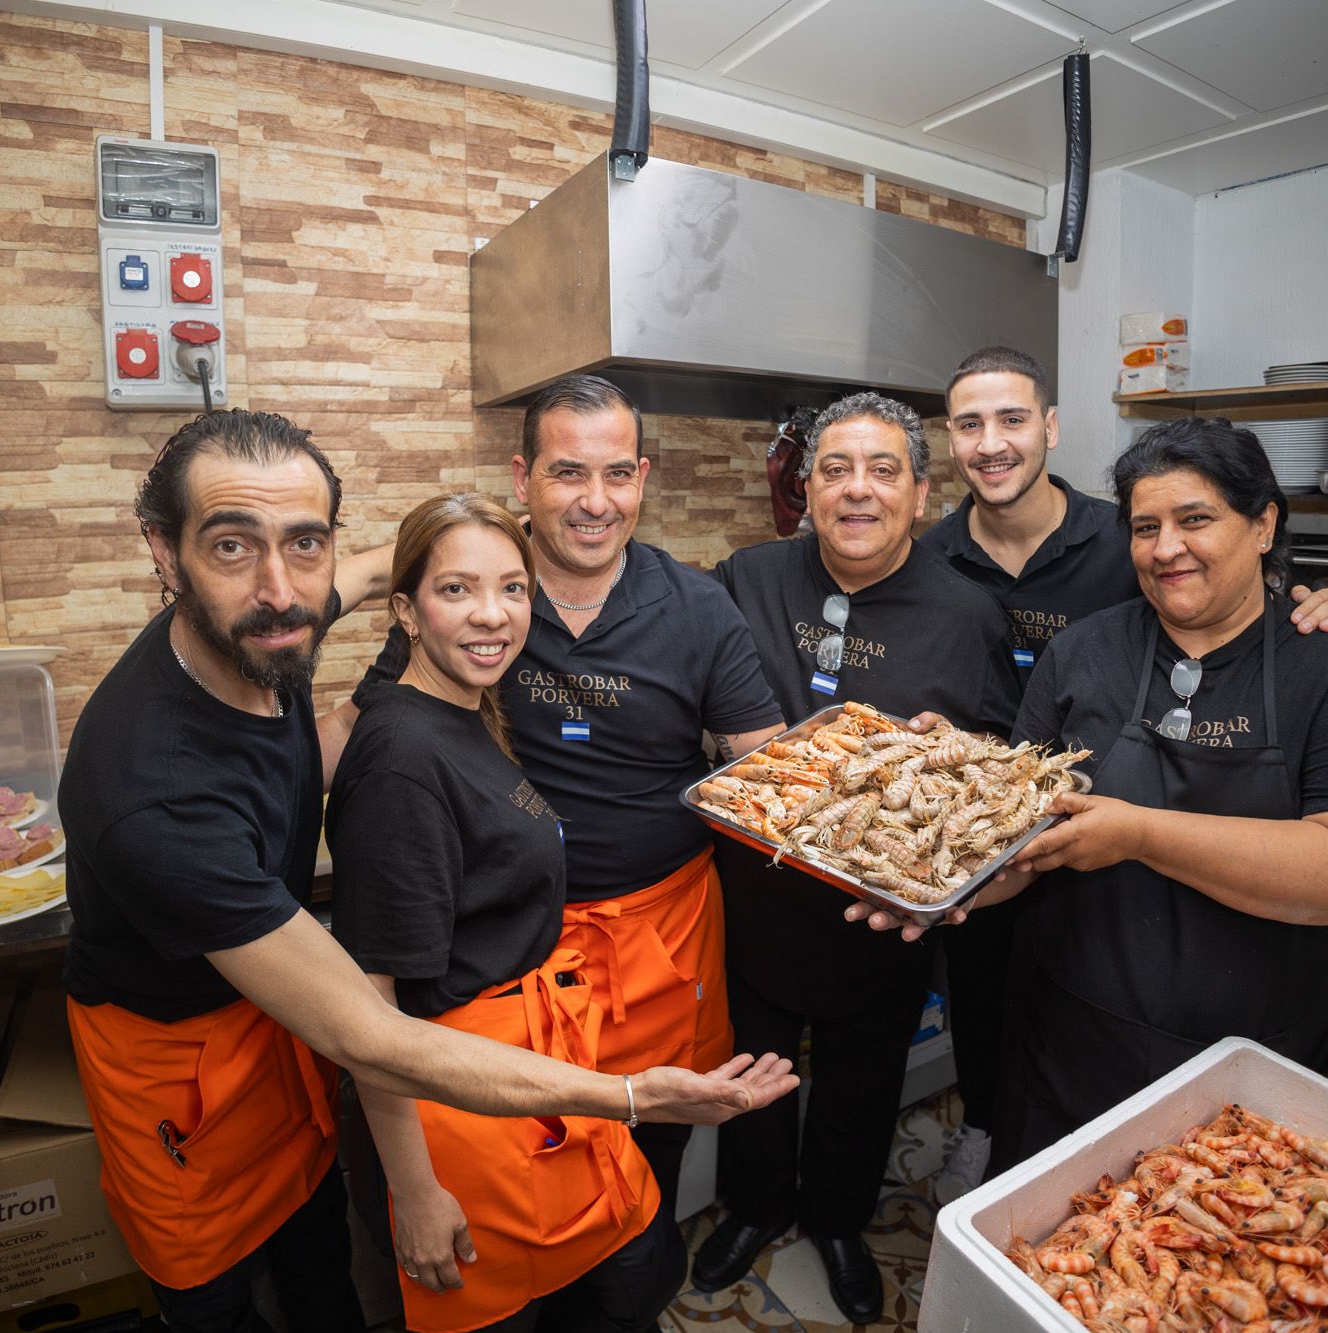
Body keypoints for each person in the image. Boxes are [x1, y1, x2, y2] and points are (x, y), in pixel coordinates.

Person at [59, 411, 796, 1333]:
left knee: (318, 1260)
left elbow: (354, 618)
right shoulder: (157, 799)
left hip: (288, 1033)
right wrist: (632, 1097)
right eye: (232, 543)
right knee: (219, 1304)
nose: (282, 588)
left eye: (307, 543)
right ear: (165, 557)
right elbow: (374, 1029)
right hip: (180, 1063)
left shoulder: (278, 628)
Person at [854, 415, 1328, 1170]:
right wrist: (938, 888)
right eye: (1145, 526)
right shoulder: (1084, 650)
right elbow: (1025, 842)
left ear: (1263, 524)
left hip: (1251, 1062)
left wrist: (1140, 833)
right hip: (1071, 1041)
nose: (1165, 548)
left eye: (1196, 519)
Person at [349, 375, 787, 1223]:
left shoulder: (699, 608)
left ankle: (630, 1272)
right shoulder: (478, 603)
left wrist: (886, 793)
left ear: (643, 478)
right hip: (513, 948)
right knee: (524, 1170)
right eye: (567, 474)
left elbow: (767, 773)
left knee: (653, 1152)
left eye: (617, 474)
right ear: (522, 480)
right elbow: (381, 721)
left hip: (664, 938)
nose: (596, 501)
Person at [331, 492, 699, 1332]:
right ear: (406, 613)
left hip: (529, 1069)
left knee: (630, 1278)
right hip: (456, 1107)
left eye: (512, 589)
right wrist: (416, 1192)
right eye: (456, 590)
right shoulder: (401, 762)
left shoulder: (466, 709)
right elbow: (370, 1012)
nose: (492, 616)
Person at [692, 393, 1022, 1324]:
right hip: (753, 894)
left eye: (883, 470)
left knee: (863, 1077)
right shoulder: (744, 577)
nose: (857, 490)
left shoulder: (969, 614)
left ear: (921, 493)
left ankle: (839, 1220)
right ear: (805, 486)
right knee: (753, 1067)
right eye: (835, 468)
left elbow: (995, 767)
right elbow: (693, 701)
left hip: (884, 910)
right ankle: (757, 1207)